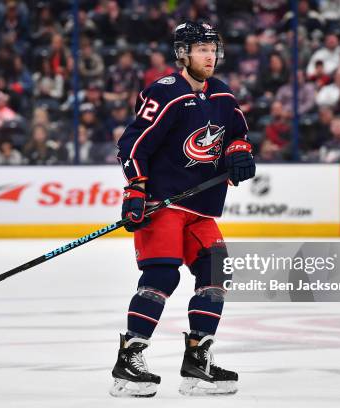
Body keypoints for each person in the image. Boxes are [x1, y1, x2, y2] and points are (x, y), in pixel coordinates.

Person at [110, 21, 255, 398]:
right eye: (201, 49)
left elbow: (238, 135)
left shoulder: (222, 94)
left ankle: (197, 363)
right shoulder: (166, 92)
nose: (210, 55)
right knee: (161, 278)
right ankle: (128, 362)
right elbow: (132, 145)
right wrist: (135, 189)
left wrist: (240, 153)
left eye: (213, 48)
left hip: (202, 209)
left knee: (216, 273)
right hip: (165, 205)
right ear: (183, 54)